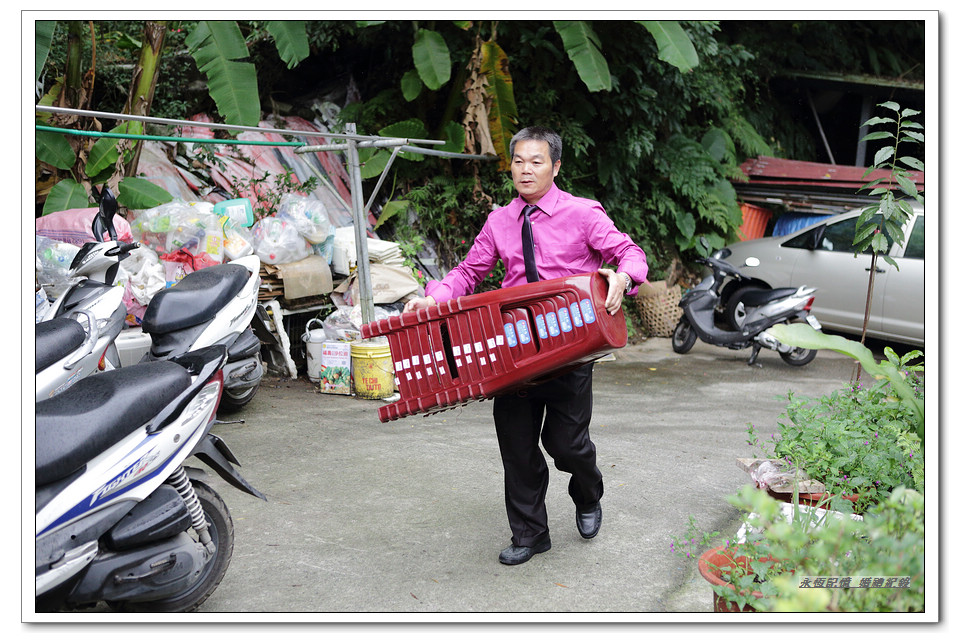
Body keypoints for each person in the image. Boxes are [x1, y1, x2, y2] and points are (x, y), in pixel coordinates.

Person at [403, 126, 648, 565]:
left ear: (555, 166)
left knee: (567, 445)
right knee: (516, 446)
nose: (526, 169)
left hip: (571, 345)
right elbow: (467, 273)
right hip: (513, 346)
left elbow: (631, 254)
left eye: (536, 161)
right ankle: (530, 535)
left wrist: (623, 277)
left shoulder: (584, 213)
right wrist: (433, 297)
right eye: (518, 161)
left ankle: (588, 492)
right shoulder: (499, 221)